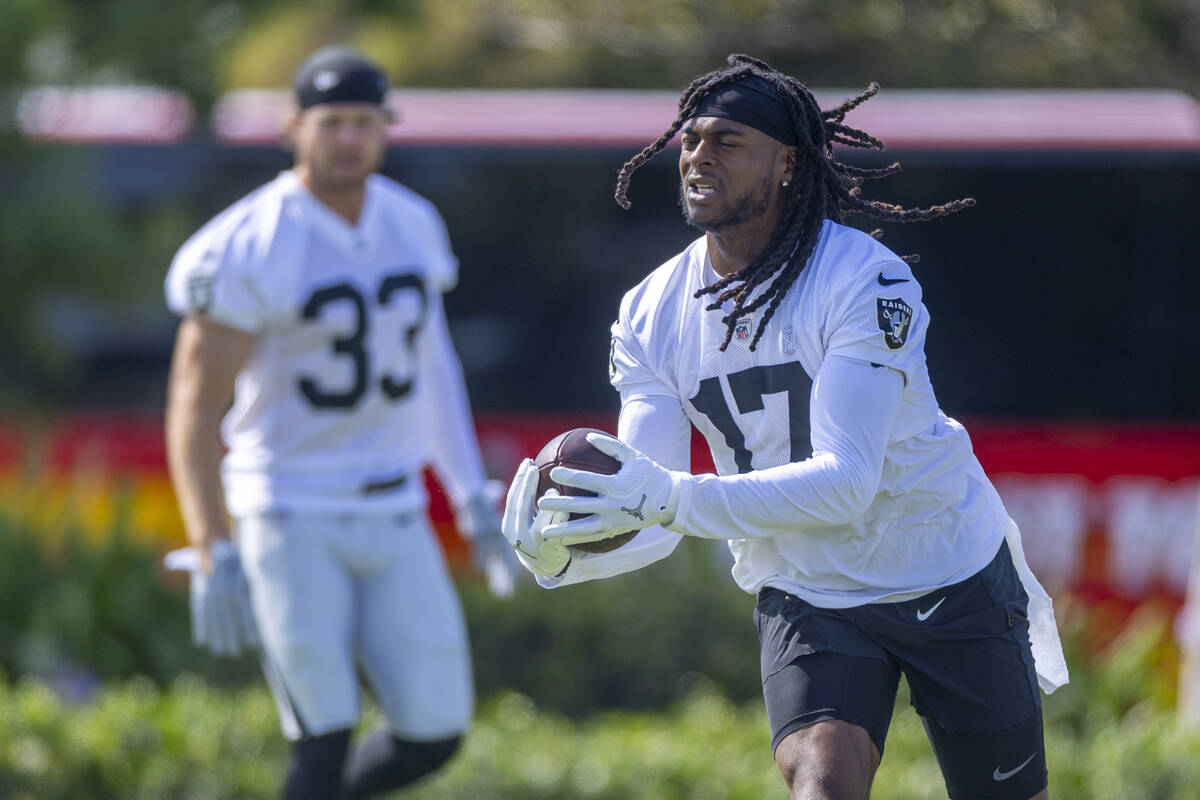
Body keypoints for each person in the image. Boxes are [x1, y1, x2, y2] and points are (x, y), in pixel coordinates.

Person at [503, 54, 1068, 800]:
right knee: (820, 785)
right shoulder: (650, 312)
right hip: (808, 590)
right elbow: (653, 507)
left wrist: (667, 497)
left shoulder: (865, 278)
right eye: (692, 139)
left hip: (943, 567)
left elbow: (845, 483)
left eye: (729, 141)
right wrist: (564, 551)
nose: (699, 155)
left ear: (789, 164)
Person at [163, 44, 515, 800]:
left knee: (434, 733)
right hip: (287, 510)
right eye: (331, 123)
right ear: (294, 128)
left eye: (363, 121)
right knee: (322, 731)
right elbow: (195, 407)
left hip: (394, 509)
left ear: (385, 127)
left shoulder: (413, 223)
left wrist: (470, 495)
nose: (348, 139)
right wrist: (211, 541)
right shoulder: (249, 242)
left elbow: (434, 368)